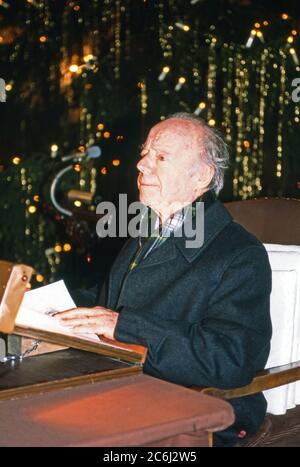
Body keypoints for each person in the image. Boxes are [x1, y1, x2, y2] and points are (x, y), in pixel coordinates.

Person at [53, 113, 272, 447]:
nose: (141, 164)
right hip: (125, 387)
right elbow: (105, 304)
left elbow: (230, 361)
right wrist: (43, 310)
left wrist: (124, 326)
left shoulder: (241, 254)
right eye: (145, 153)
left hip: (197, 406)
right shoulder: (145, 233)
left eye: (160, 156)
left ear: (202, 176)